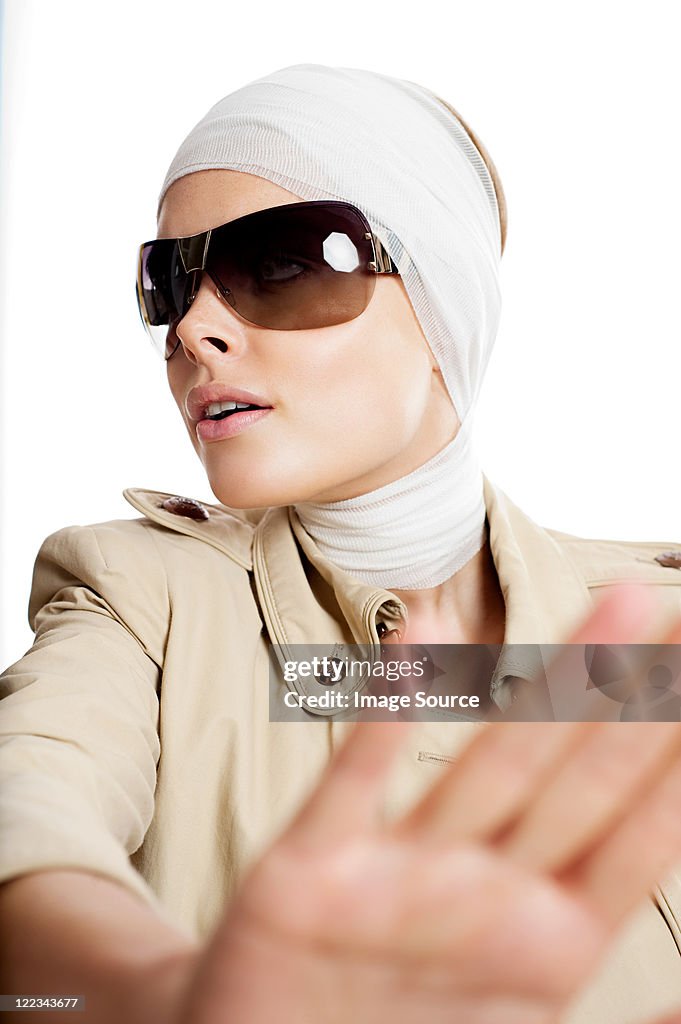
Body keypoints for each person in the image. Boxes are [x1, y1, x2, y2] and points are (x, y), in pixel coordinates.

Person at [2, 62, 681, 1024]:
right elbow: (28, 807)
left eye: (278, 263)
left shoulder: (655, 636)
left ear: (442, 295)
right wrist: (161, 994)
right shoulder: (142, 602)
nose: (195, 329)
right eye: (170, 282)